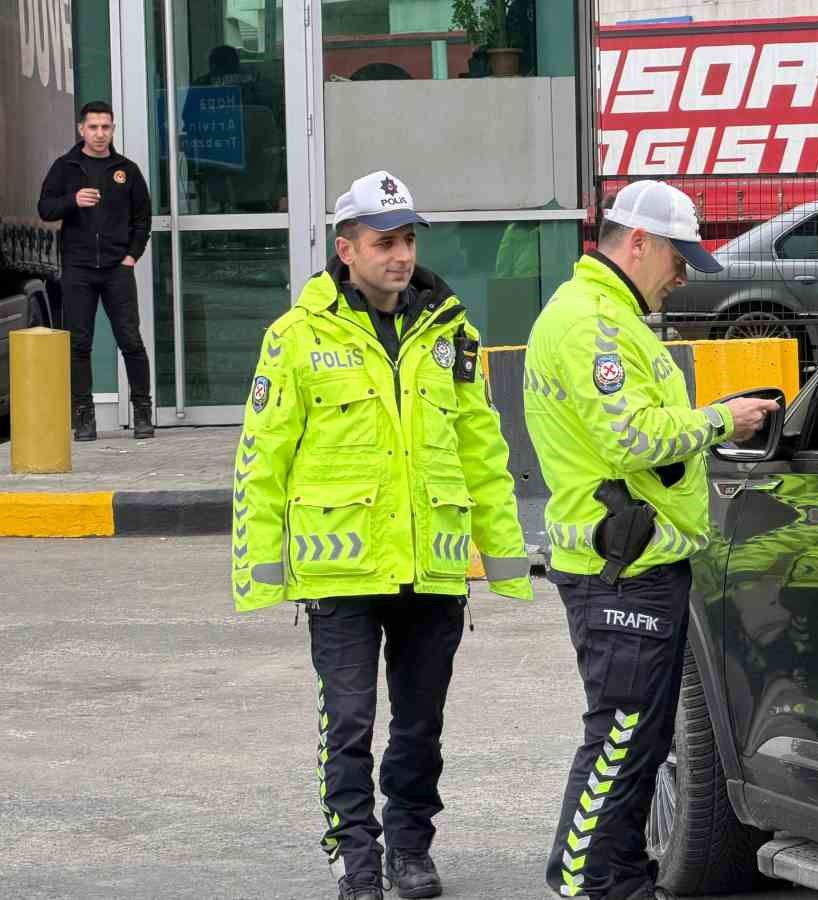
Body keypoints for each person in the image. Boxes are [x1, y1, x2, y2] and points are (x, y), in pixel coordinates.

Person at [229, 170, 534, 900]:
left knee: (421, 725)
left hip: (430, 567)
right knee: (351, 725)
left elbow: (483, 452)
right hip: (341, 571)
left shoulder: (451, 333)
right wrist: (259, 570)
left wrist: (503, 558)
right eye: (384, 241)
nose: (400, 255)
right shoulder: (296, 338)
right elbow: (261, 458)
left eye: (407, 240)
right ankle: (356, 859)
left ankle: (410, 848)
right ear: (347, 249)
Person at [524, 180, 779, 900]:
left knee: (639, 742)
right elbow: (631, 435)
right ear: (637, 242)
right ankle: (581, 881)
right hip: (621, 566)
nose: (684, 274)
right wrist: (723, 420)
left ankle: (621, 878)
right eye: (678, 257)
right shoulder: (593, 326)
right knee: (620, 738)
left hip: (638, 559)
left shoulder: (609, 317)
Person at [37, 100, 154, 442]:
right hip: (78, 268)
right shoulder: (65, 167)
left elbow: (142, 218)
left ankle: (142, 413)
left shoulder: (127, 170)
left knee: (130, 340)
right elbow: (44, 208)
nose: (100, 134)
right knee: (79, 344)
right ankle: (84, 418)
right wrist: (72, 200)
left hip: (117, 268)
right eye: (93, 127)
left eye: (106, 127)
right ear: (81, 129)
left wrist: (132, 256)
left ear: (113, 129)